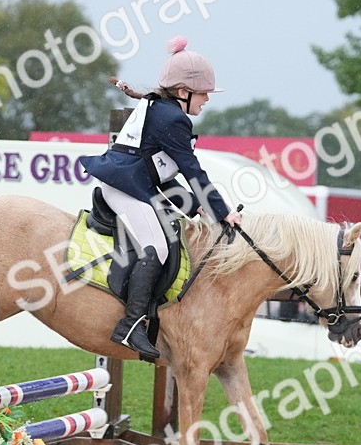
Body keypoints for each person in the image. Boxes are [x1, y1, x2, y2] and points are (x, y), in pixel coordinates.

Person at [79, 37, 242, 360]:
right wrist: (222, 213)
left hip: (132, 181)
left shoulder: (164, 109)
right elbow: (192, 171)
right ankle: (131, 324)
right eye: (205, 92)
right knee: (158, 246)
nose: (208, 99)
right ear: (183, 92)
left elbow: (164, 174)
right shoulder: (172, 118)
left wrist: (197, 208)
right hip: (124, 186)